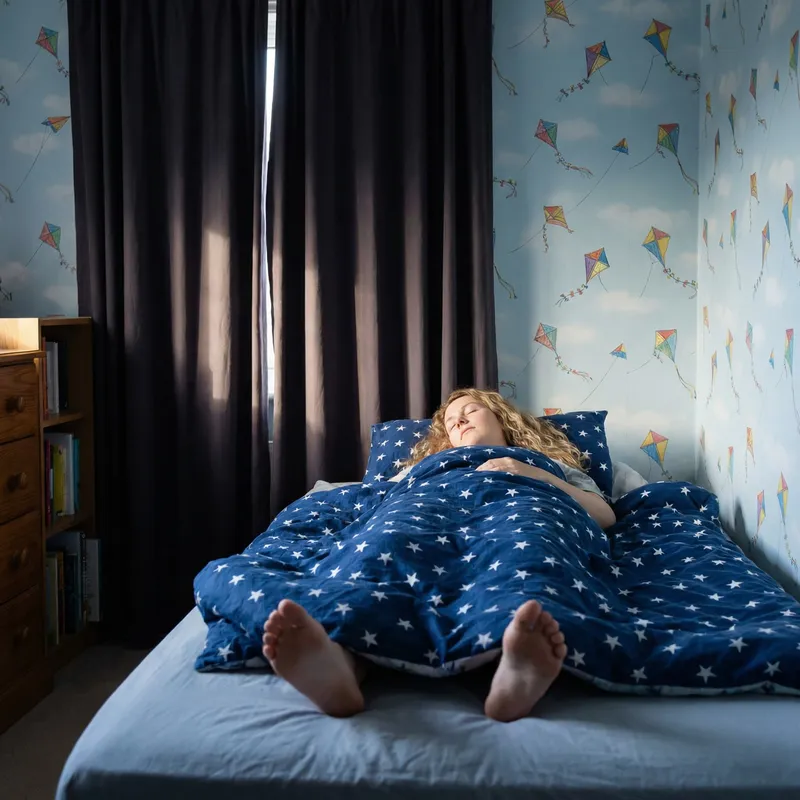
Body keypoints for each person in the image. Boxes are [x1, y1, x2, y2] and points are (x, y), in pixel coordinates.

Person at [261, 388, 616, 721]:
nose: (459, 420)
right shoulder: (423, 467)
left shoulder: (547, 463)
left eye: (470, 410)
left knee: (526, 552)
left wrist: (526, 471)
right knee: (385, 548)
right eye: (450, 421)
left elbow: (603, 515)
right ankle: (340, 664)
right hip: (426, 507)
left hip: (523, 506)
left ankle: (514, 666)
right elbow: (377, 504)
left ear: (501, 417)